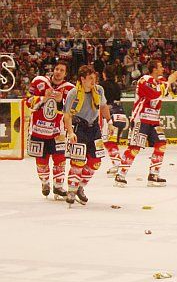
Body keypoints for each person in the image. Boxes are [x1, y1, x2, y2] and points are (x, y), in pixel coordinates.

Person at [114, 59, 177, 187]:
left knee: (161, 143)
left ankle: (153, 175)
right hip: (141, 119)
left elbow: (172, 95)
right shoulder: (144, 80)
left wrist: (172, 85)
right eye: (160, 67)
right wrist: (169, 82)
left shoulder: (160, 82)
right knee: (135, 147)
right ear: (154, 69)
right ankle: (120, 175)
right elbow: (154, 94)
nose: (162, 69)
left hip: (154, 120)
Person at [63, 65, 112, 207]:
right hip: (79, 128)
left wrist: (109, 122)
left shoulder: (99, 90)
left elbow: (103, 106)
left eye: (94, 78)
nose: (93, 81)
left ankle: (80, 186)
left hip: (94, 128)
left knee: (96, 161)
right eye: (90, 79)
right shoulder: (73, 93)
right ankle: (71, 191)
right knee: (77, 162)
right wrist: (70, 132)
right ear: (82, 79)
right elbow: (67, 115)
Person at [25, 60, 74, 199]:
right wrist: (43, 98)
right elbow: (28, 101)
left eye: (62, 70)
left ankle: (58, 186)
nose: (58, 72)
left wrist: (61, 102)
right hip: (38, 129)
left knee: (60, 159)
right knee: (42, 160)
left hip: (57, 132)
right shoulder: (39, 81)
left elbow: (71, 111)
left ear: (66, 74)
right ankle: (45, 182)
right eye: (57, 69)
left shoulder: (70, 89)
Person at [99, 66, 126, 176]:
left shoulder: (102, 86)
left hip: (110, 115)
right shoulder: (117, 86)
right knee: (113, 141)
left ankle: (117, 164)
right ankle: (118, 162)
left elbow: (102, 102)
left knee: (109, 141)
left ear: (104, 74)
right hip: (121, 114)